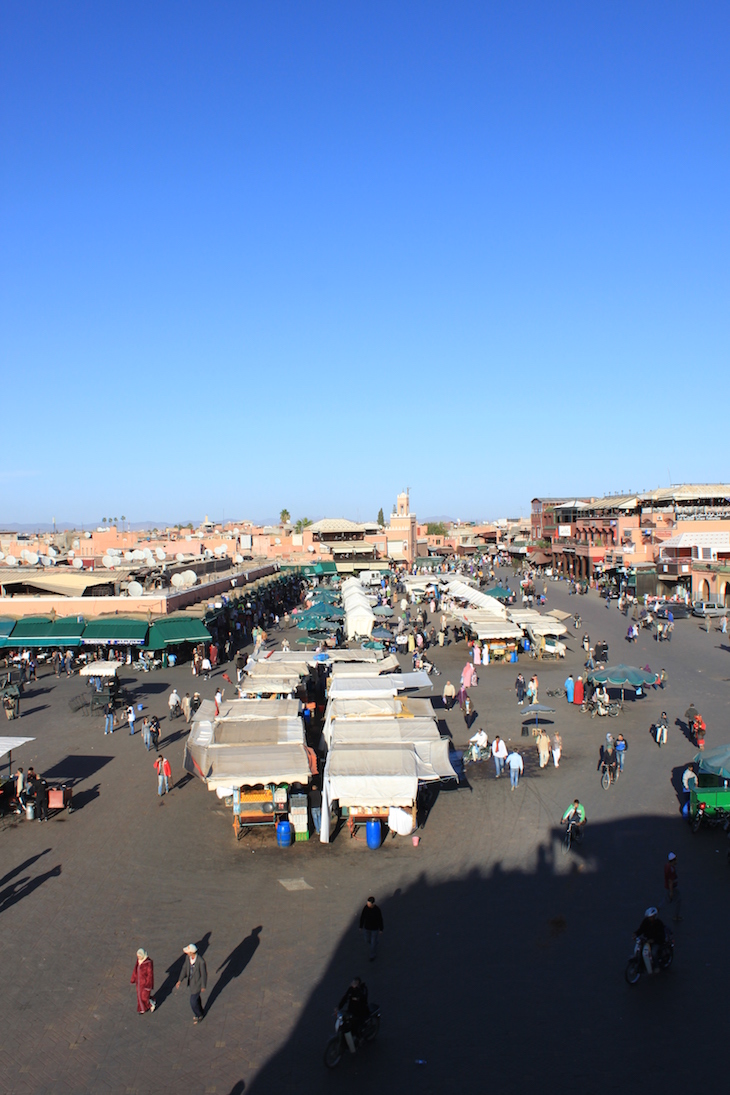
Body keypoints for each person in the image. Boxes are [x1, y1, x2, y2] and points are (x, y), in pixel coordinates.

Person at [176, 943, 207, 1023]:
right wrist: (180, 980)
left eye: (188, 952)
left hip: (197, 984)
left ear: (192, 953)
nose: (186, 953)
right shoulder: (188, 958)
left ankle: (199, 1014)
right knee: (196, 998)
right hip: (191, 983)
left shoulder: (201, 961)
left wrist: (203, 986)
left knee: (192, 1001)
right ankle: (201, 1010)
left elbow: (204, 974)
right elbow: (184, 968)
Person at [634, 907, 667, 975]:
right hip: (647, 940)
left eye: (652, 917)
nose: (650, 918)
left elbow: (661, 936)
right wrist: (636, 934)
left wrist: (654, 940)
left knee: (653, 953)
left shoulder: (659, 923)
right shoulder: (645, 921)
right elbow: (641, 929)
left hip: (657, 941)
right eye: (649, 917)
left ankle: (657, 966)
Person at [338, 978, 370, 1044]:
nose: (353, 984)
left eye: (355, 983)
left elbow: (363, 1000)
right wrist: (338, 1007)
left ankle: (359, 1038)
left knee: (356, 1026)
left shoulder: (362, 990)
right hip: (351, 1011)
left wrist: (356, 991)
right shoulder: (351, 989)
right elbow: (345, 998)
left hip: (360, 1012)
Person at [130, 948, 155, 1014]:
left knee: (144, 997)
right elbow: (135, 969)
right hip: (138, 983)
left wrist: (148, 985)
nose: (138, 957)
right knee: (139, 996)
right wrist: (133, 978)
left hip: (145, 983)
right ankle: (142, 1009)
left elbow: (150, 975)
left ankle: (151, 1003)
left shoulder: (148, 963)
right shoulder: (138, 961)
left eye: (139, 956)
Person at [359, 897, 384, 962]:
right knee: (367, 939)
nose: (367, 904)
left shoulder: (377, 910)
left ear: (372, 903)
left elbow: (380, 919)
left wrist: (381, 929)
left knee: (373, 943)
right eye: (367, 902)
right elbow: (362, 917)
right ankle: (375, 943)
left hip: (374, 929)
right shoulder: (365, 908)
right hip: (366, 927)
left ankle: (372, 955)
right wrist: (361, 926)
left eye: (368, 903)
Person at [664, 852, 682, 921]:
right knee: (678, 900)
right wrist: (671, 891)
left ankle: (658, 908)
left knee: (666, 900)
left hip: (668, 887)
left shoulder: (666, 866)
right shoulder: (671, 869)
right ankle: (676, 916)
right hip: (672, 887)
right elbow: (670, 881)